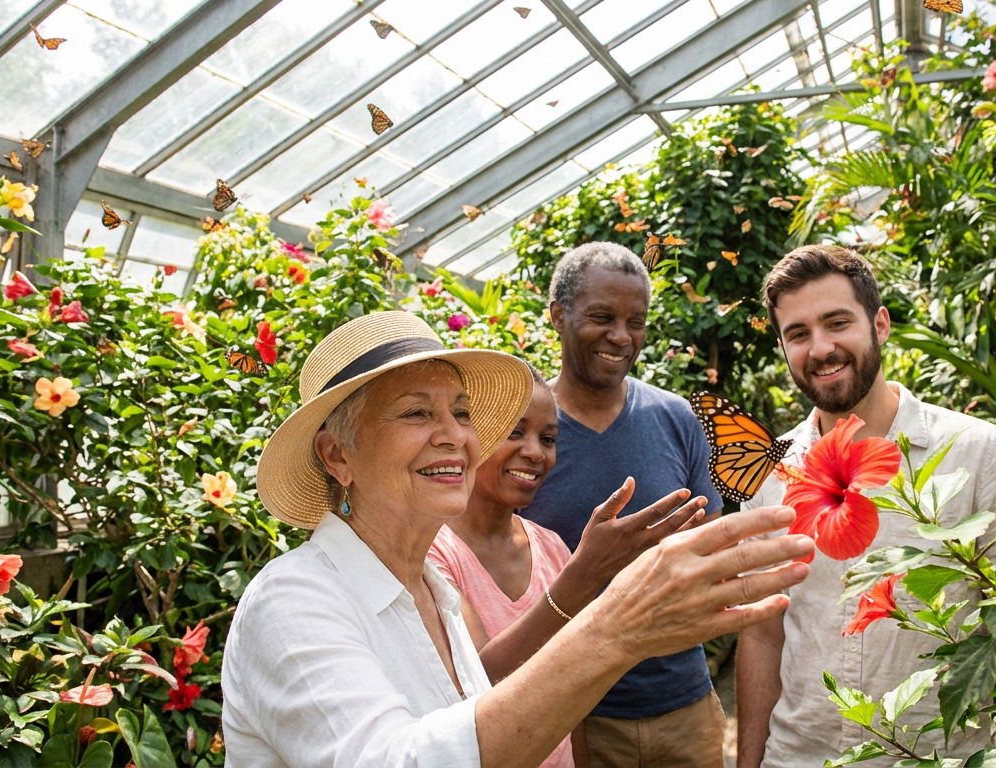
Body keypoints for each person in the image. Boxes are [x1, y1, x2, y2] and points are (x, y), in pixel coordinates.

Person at [222, 310, 815, 768]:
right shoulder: (294, 600)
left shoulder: (432, 591)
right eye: (415, 413)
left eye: (461, 412)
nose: (454, 435)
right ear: (336, 455)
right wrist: (616, 626)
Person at [734, 245, 996, 767]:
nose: (820, 348)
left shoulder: (977, 452)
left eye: (837, 322)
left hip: (942, 755)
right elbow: (762, 636)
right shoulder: (773, 476)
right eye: (798, 333)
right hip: (800, 757)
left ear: (880, 324)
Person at [429, 366, 705, 768]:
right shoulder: (434, 553)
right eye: (514, 432)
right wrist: (583, 575)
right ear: (470, 438)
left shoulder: (551, 547)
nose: (535, 453)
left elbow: (569, 695)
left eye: (549, 439)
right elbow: (480, 681)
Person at [521, 242, 728, 768]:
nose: (621, 336)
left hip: (685, 707)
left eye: (636, 321)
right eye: (602, 317)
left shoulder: (674, 418)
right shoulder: (525, 438)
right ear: (557, 316)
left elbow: (712, 547)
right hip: (575, 714)